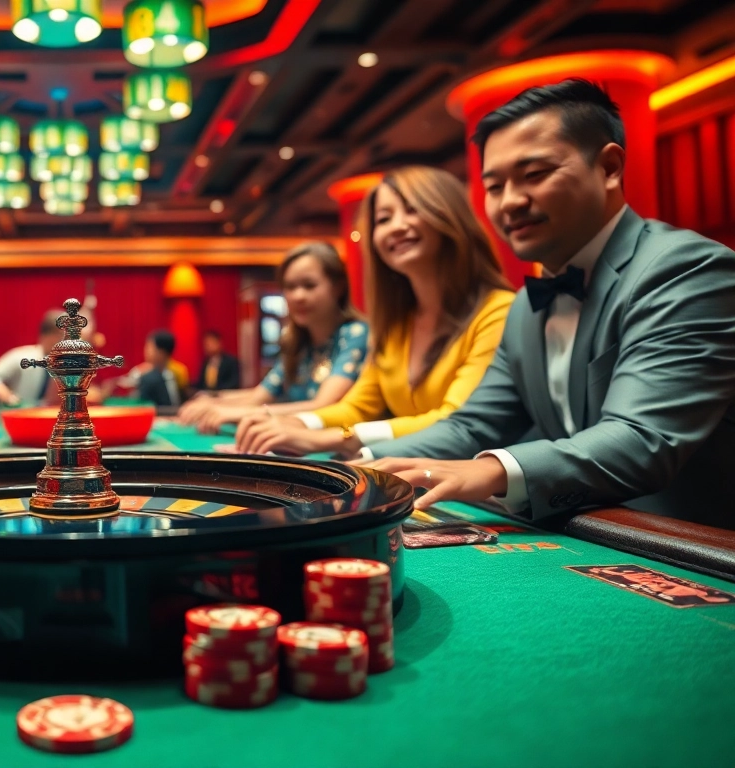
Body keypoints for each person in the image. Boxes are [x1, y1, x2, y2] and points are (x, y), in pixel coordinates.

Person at [362, 80, 735, 526]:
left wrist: (493, 469)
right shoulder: (524, 307)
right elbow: (472, 426)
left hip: (698, 551)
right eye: (495, 186)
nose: (511, 202)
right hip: (591, 535)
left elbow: (642, 439)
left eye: (535, 174)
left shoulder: (686, 269)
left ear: (610, 167)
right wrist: (360, 464)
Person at [236, 165, 514, 457]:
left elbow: (454, 421)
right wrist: (295, 422)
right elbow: (358, 407)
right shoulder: (395, 325)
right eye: (384, 219)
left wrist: (335, 439)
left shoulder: (497, 312)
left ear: (448, 215)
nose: (396, 226)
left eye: (412, 209)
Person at [178, 242, 368, 434]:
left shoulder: (356, 334)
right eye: (290, 287)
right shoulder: (296, 343)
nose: (298, 296)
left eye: (309, 285)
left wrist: (235, 413)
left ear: (338, 287)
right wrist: (213, 401)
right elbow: (259, 396)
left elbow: (324, 406)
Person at [0, 310, 65, 406]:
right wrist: (3, 392)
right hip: (19, 414)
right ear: (47, 335)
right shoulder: (23, 357)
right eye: (61, 335)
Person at [133, 330, 183, 407]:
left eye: (149, 347)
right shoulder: (140, 372)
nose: (145, 350)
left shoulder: (176, 373)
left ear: (161, 352)